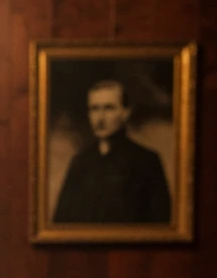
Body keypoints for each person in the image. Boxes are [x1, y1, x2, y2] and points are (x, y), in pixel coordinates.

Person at [53, 79, 171, 224]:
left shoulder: (147, 161)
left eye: (108, 108)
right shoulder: (80, 162)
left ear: (126, 112)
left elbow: (161, 224)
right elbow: (61, 223)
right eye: (94, 109)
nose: (100, 118)